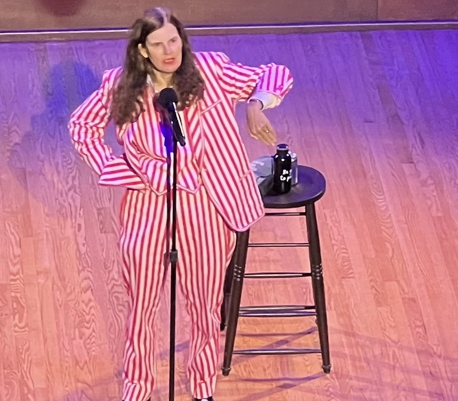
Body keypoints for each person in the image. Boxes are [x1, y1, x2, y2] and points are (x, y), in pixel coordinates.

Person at [68, 7, 293, 401]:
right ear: (142, 50)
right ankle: (137, 389)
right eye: (158, 44)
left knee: (205, 306)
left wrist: (255, 105)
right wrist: (117, 169)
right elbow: (81, 125)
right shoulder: (120, 86)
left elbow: (275, 74)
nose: (169, 50)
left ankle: (203, 386)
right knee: (141, 305)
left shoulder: (210, 72)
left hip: (205, 206)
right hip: (148, 205)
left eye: (174, 40)